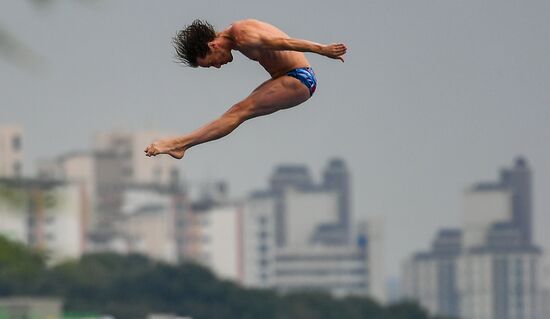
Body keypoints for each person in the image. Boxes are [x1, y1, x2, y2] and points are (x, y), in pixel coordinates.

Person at [144, 19, 347, 159]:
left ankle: (179, 144)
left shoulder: (243, 36)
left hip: (300, 78)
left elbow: (286, 43)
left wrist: (323, 49)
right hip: (286, 77)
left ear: (213, 46)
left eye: (210, 63)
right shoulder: (230, 36)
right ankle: (181, 144)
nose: (216, 66)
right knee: (237, 110)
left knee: (239, 111)